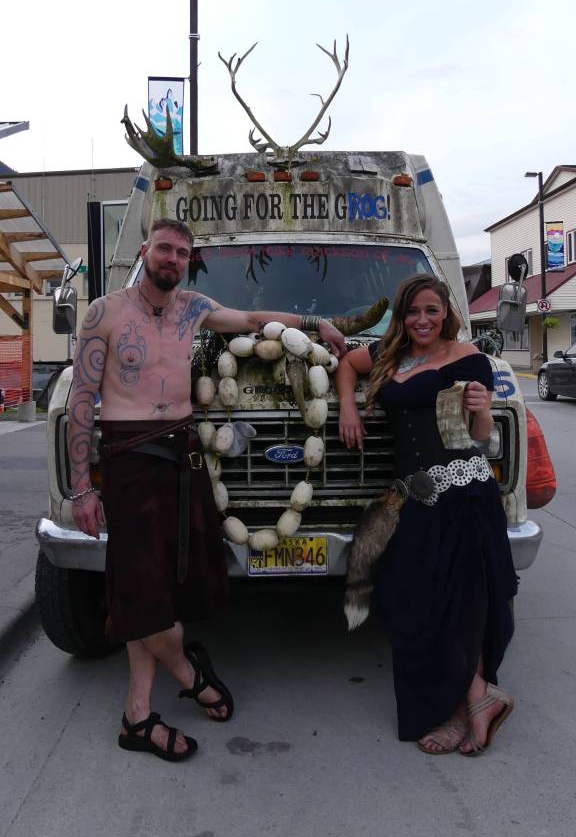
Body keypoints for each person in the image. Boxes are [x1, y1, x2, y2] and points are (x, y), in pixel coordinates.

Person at [67, 217, 346, 763]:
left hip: (183, 453)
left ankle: (137, 713)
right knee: (140, 589)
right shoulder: (105, 312)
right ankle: (190, 676)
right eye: (164, 249)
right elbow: (81, 398)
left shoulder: (194, 308)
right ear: (145, 251)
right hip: (129, 458)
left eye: (181, 253)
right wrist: (81, 489)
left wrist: (321, 323)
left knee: (160, 589)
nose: (172, 259)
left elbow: (257, 319)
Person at [336, 274, 517, 756]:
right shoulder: (389, 355)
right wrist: (348, 408)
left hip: (462, 493)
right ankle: (479, 699)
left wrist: (483, 408)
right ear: (401, 316)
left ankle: (465, 708)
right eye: (413, 311)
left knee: (460, 603)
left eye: (431, 311)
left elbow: (477, 435)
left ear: (445, 314)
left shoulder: (467, 358)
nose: (422, 320)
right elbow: (347, 365)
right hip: (415, 496)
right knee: (411, 599)